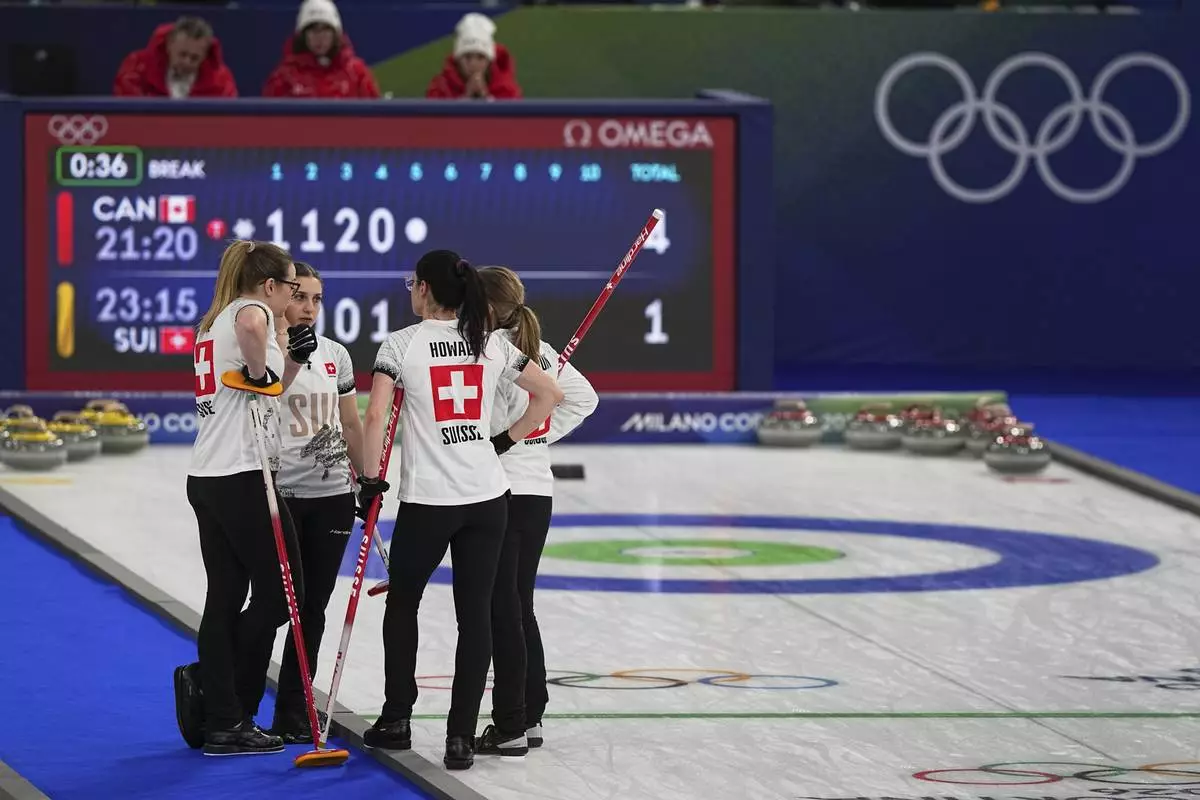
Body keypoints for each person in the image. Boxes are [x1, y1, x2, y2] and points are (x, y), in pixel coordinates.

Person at [357, 250, 563, 771]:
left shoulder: (400, 344)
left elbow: (377, 412)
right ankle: (460, 738)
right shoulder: (492, 343)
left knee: (403, 603)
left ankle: (397, 719)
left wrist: (368, 478)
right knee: (477, 619)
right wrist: (502, 441)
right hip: (488, 498)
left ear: (423, 289)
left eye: (412, 283)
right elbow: (550, 394)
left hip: (429, 500)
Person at [175, 240, 318, 756]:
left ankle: (222, 719)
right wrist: (260, 369)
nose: (292, 300)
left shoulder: (213, 321)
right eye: (291, 291)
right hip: (241, 476)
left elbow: (268, 394)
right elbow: (255, 332)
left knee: (225, 596)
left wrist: (274, 367)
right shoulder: (250, 309)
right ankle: (228, 693)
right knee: (288, 594)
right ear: (270, 285)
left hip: (208, 474)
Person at [475, 266, 598, 757]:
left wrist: (521, 436)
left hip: (502, 487)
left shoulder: (491, 352)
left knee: (504, 606)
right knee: (516, 603)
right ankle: (531, 712)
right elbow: (581, 399)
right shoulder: (539, 351)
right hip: (534, 491)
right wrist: (539, 434)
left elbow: (581, 399)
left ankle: (515, 720)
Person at [269, 261, 366, 742]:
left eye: (315, 299)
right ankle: (237, 703)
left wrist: (366, 481)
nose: (307, 308)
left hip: (330, 496)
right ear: (281, 297)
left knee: (314, 608)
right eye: (299, 296)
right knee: (272, 604)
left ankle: (292, 710)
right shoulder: (264, 349)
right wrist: (287, 357)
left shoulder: (336, 355)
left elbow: (350, 424)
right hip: (279, 494)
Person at [262, 0, 381, 99]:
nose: (319, 37)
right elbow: (270, 122)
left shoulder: (357, 73)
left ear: (335, 35)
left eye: (325, 30)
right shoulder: (284, 76)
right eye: (313, 30)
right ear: (303, 35)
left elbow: (375, 118)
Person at [114, 16, 238, 99]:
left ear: (205, 55)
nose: (187, 62)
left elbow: (227, 121)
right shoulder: (137, 66)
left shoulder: (221, 79)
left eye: (194, 58)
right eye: (182, 54)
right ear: (169, 45)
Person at [425, 12, 522, 101]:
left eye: (480, 57)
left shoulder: (506, 88)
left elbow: (511, 118)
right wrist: (466, 97)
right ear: (458, 60)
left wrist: (485, 97)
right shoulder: (440, 87)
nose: (473, 63)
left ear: (489, 61)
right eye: (467, 57)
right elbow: (434, 119)